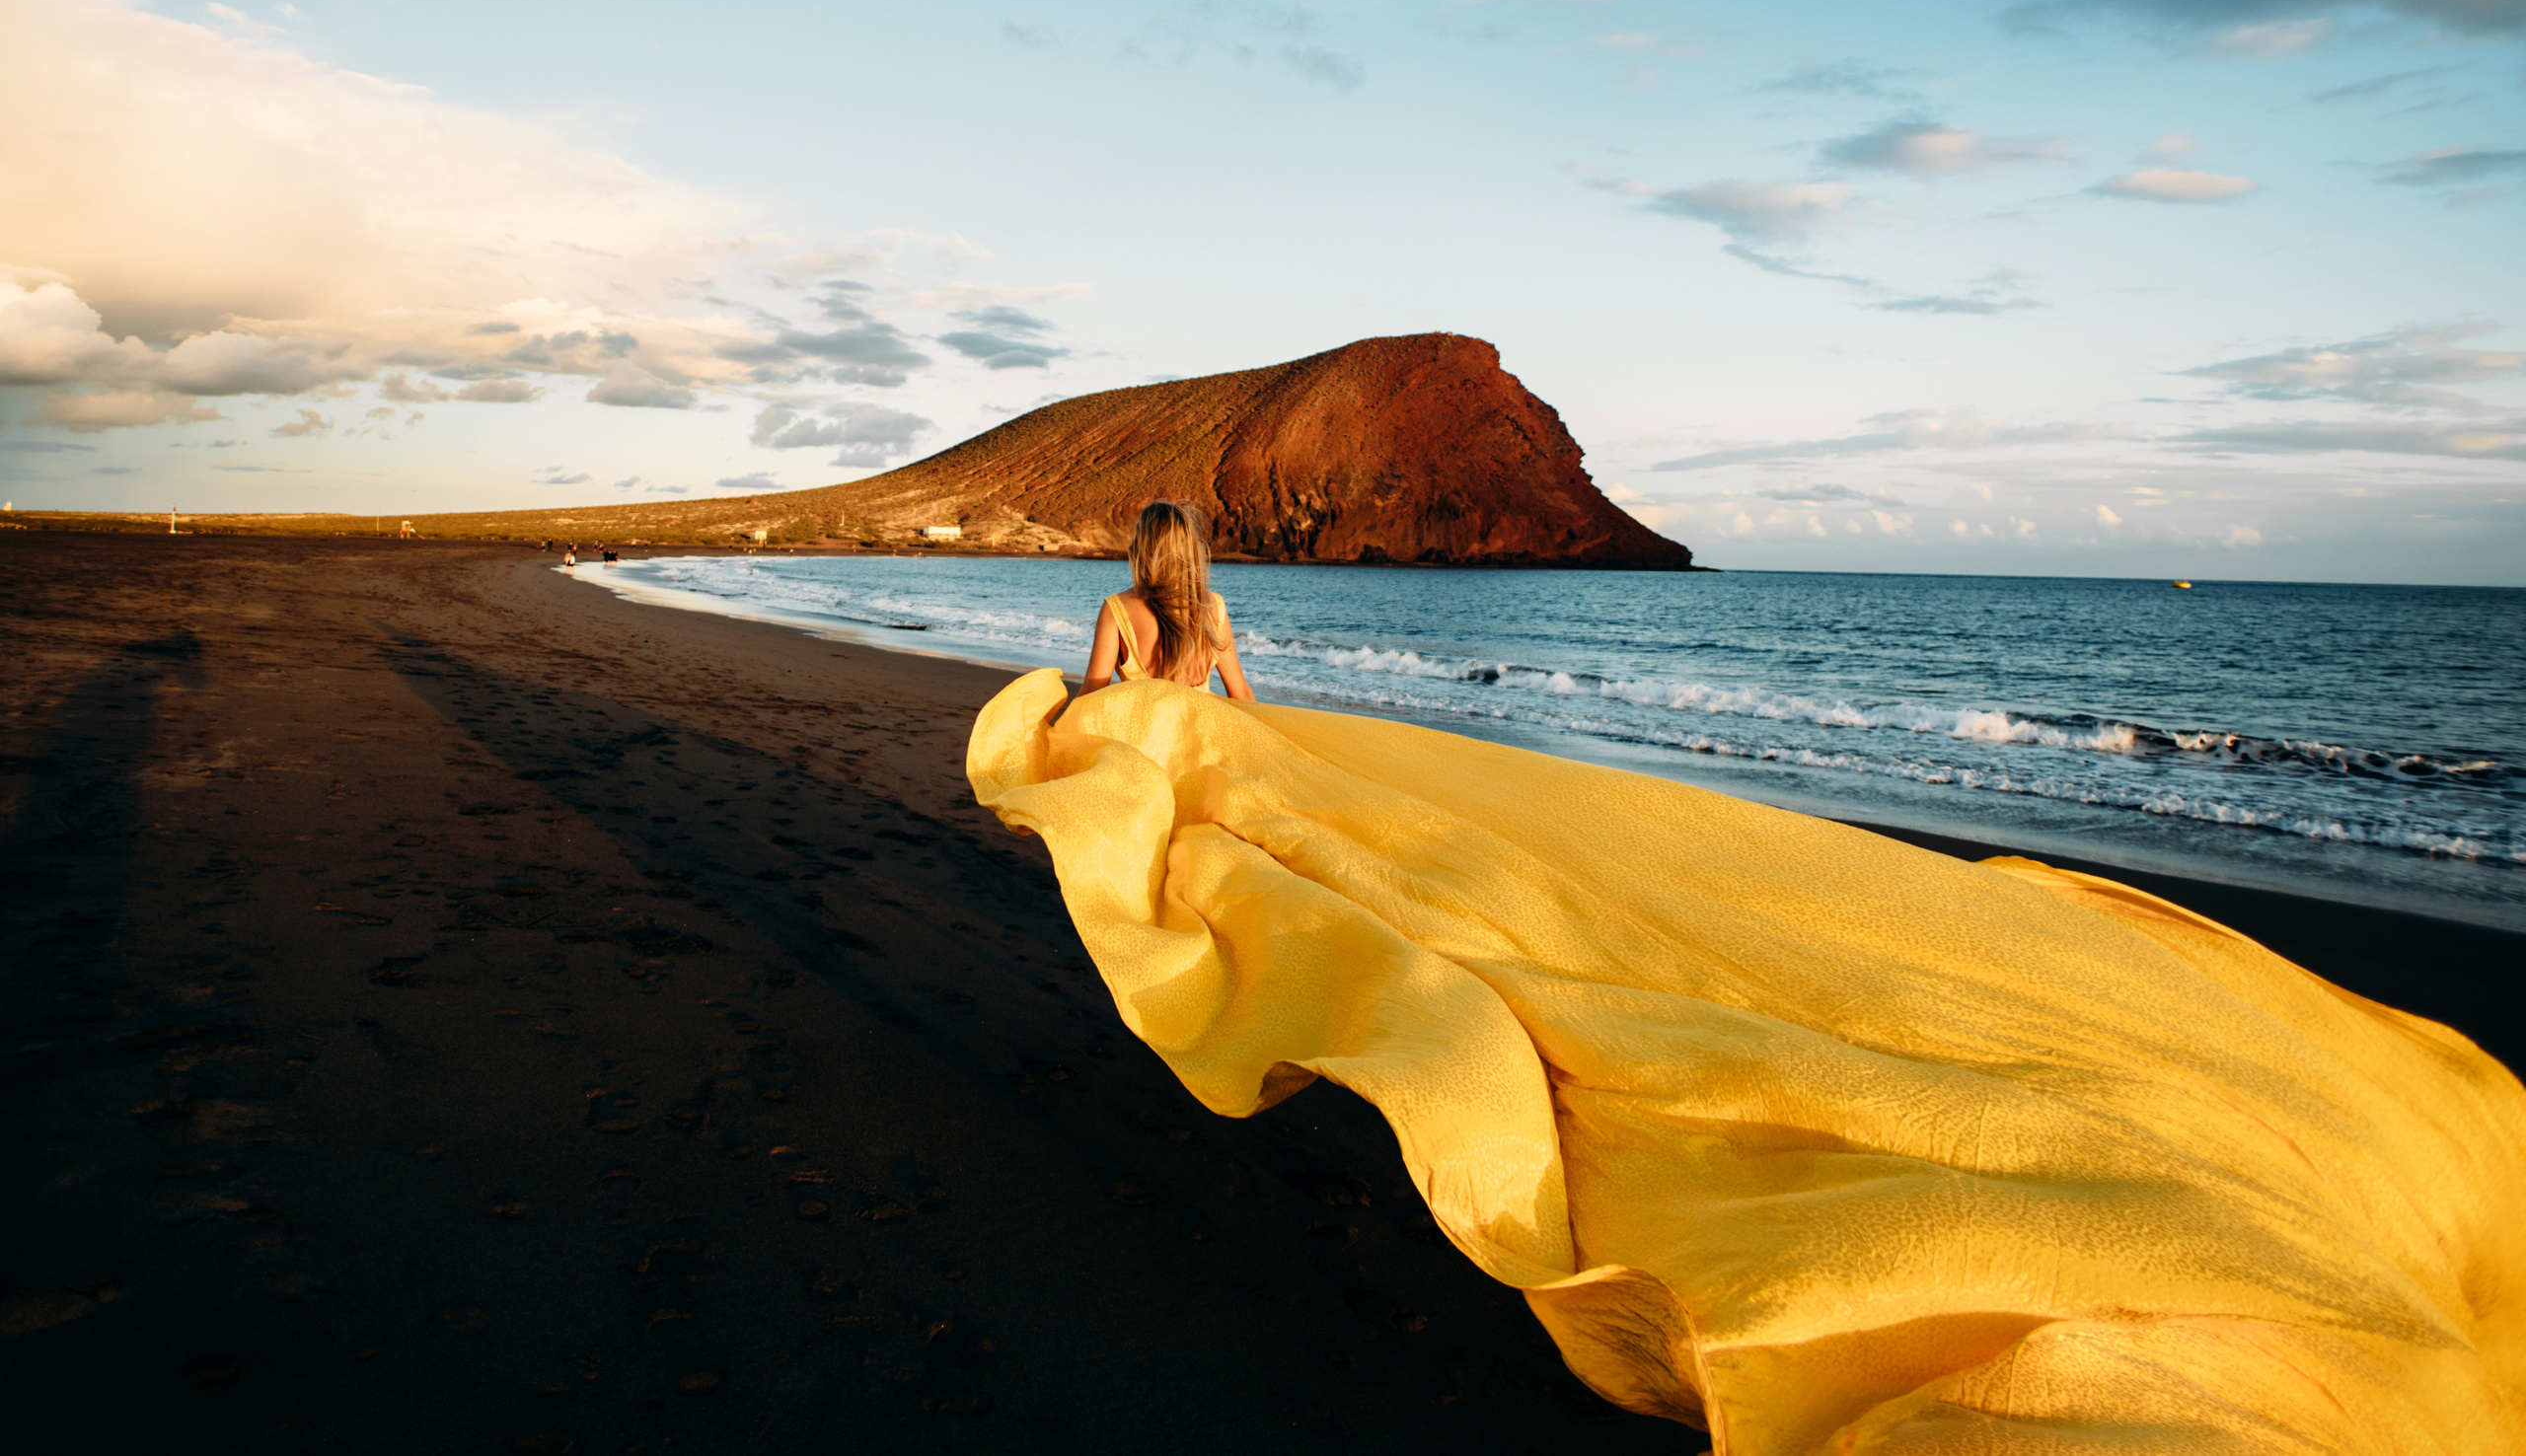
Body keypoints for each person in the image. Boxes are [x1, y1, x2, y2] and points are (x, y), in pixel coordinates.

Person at [967, 517, 2526, 1448]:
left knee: (1254, 901)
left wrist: (1101, 721)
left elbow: (1112, 693)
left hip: (1188, 759)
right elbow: (1246, 699)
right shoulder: (1217, 615)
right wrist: (1262, 738)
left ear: (1139, 558)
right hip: (1243, 748)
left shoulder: (1123, 611)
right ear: (1199, 560)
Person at [1077, 501, 1255, 702]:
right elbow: (1241, 693)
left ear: (1141, 547)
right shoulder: (1213, 607)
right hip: (1203, 722)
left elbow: (1090, 696)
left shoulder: (1117, 609)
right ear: (1190, 548)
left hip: (1141, 723)